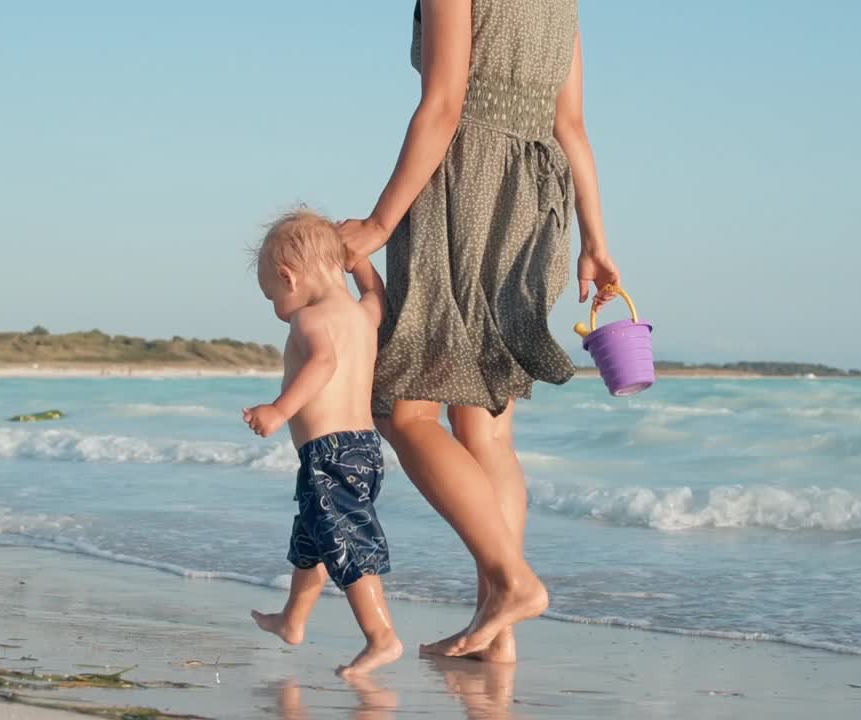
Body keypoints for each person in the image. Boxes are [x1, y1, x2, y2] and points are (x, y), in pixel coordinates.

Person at [338, 0, 623, 661]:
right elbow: (572, 125)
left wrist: (380, 225)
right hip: (537, 201)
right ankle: (500, 628)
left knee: (408, 412)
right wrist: (596, 241)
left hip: (464, 183)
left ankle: (516, 584)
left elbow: (444, 104)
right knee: (487, 422)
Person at [244, 210, 403, 677]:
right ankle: (293, 620)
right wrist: (361, 264)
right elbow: (379, 296)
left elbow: (323, 364)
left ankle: (382, 637)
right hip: (365, 450)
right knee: (313, 539)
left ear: (288, 277)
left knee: (347, 543)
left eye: (272, 296)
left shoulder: (309, 319)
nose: (277, 307)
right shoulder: (361, 313)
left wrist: (279, 410)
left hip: (327, 453)